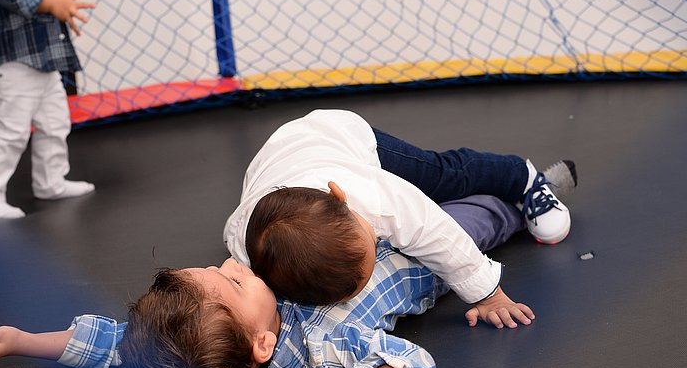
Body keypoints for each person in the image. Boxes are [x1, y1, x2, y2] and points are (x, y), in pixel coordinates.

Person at [0, 195, 535, 368]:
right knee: (481, 217)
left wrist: (24, 341)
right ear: (262, 344)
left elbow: (118, 342)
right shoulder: (324, 347)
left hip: (355, 223)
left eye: (219, 269)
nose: (232, 264)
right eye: (232, 280)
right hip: (425, 256)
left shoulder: (217, 327)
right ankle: (528, 197)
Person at [227, 109, 577, 326]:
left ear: (340, 198)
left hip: (344, 137)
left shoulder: (375, 197)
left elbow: (436, 231)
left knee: (444, 177)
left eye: (370, 239)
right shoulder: (245, 242)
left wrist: (486, 294)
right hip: (276, 161)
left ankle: (521, 177)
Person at [0, 0, 139, 219]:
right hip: (11, 60)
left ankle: (50, 181)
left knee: (55, 122)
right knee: (10, 130)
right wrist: (49, 0)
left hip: (44, 58)